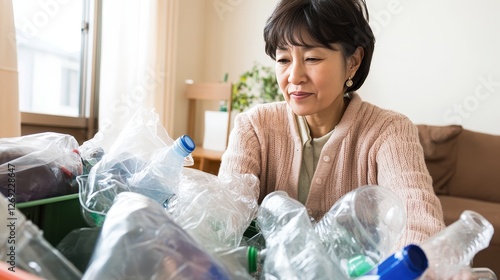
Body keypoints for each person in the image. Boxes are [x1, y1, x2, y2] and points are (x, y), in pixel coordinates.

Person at [219, 0, 445, 250]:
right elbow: (225, 215)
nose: (294, 76)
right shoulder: (254, 127)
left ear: (353, 62)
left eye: (312, 58)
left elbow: (417, 218)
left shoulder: (389, 131)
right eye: (283, 60)